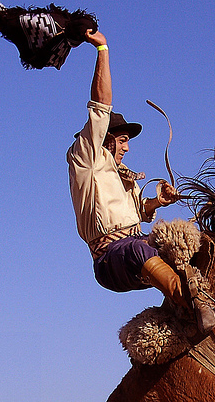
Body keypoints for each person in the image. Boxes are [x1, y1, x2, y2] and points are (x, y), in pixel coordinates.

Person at [66, 29, 186, 307]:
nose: (127, 148)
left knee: (185, 240)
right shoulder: (86, 157)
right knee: (137, 249)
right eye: (122, 140)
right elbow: (101, 105)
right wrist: (102, 50)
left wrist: (157, 202)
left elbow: (134, 215)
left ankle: (206, 298)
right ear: (104, 139)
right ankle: (189, 304)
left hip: (138, 243)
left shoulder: (122, 177)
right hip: (110, 260)